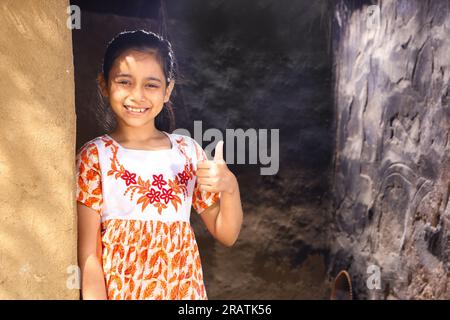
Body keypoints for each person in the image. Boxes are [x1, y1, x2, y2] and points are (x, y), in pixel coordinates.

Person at [76, 30, 243, 300]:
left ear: (168, 90)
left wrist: (230, 188)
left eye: (151, 85)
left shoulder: (187, 153)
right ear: (105, 85)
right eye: (124, 82)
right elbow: (89, 258)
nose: (137, 96)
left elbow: (227, 234)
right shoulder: (95, 157)